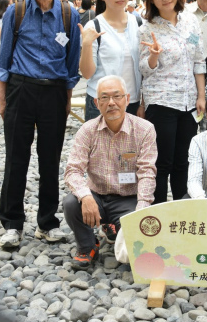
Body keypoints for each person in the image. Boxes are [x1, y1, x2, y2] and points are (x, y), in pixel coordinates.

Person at [0, 0, 81, 249]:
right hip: (21, 89)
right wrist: (2, 100)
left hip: (54, 92)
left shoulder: (69, 14)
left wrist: (67, 100)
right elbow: (4, 59)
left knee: (50, 158)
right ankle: (12, 224)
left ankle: (47, 223)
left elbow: (72, 65)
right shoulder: (16, 12)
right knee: (15, 158)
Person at [63, 75, 157, 269]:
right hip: (96, 196)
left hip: (127, 199)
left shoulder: (145, 129)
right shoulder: (87, 130)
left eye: (117, 96)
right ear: (96, 103)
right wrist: (86, 196)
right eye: (104, 98)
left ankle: (115, 228)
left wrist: (142, 208)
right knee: (71, 204)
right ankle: (87, 246)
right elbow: (73, 170)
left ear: (127, 99)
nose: (111, 103)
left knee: (136, 244)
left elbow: (147, 172)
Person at [139, 0, 206, 204]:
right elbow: (144, 69)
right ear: (151, 0)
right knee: (162, 161)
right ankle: (158, 210)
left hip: (189, 102)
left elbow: (198, 60)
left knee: (184, 160)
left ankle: (181, 208)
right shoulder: (147, 29)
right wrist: (154, 56)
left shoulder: (190, 21)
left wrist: (201, 95)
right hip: (162, 101)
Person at [80, 0, 142, 121]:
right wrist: (87, 44)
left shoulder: (139, 23)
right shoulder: (93, 26)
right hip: (102, 103)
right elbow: (87, 74)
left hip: (132, 100)